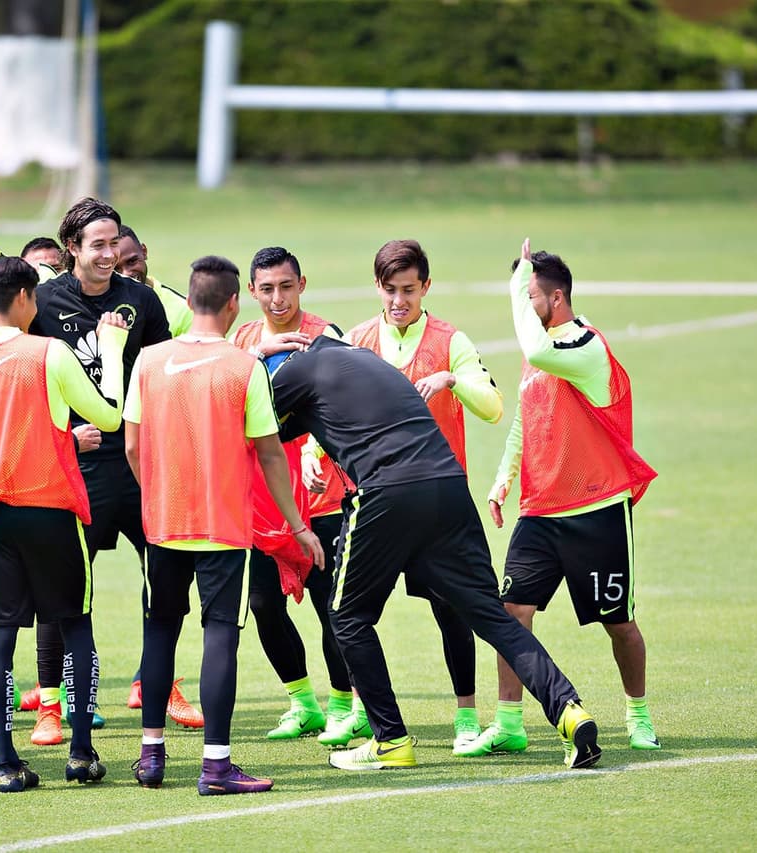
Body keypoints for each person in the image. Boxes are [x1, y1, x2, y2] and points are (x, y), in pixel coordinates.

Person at [270, 334, 601, 771]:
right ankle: (569, 711)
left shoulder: (294, 368)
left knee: (347, 617)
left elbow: (256, 420)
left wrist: (257, 359)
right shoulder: (364, 361)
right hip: (448, 490)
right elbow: (304, 421)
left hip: (386, 492)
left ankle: (390, 741)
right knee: (491, 616)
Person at [125, 255, 324, 795]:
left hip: (162, 524)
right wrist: (296, 525)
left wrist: (157, 497)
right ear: (236, 304)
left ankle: (152, 756)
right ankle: (215, 766)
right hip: (224, 528)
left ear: (189, 302)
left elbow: (132, 446)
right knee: (220, 636)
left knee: (160, 629)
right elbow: (270, 454)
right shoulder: (244, 367)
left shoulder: (147, 360)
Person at [462, 241, 659, 758]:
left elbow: (536, 352)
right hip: (541, 512)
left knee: (619, 624)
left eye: (530, 297)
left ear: (556, 296)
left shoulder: (585, 346)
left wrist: (514, 285)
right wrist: (504, 476)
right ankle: (509, 723)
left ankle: (638, 715)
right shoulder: (543, 348)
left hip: (596, 511)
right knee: (511, 611)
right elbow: (527, 420)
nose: (525, 307)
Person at [0, 255, 127, 793]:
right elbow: (109, 416)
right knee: (75, 624)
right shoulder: (47, 352)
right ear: (23, 298)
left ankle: (5, 764)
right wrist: (110, 350)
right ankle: (82, 753)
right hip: (50, 511)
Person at [26, 198, 201, 745]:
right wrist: (61, 438)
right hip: (75, 464)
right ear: (71, 249)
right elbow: (28, 382)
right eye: (96, 245)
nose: (107, 255)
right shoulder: (44, 302)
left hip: (138, 462)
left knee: (166, 580)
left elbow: (159, 379)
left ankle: (160, 684)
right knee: (64, 591)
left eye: (113, 244)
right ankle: (51, 707)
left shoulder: (140, 301)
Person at [341, 238, 503, 750]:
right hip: (375, 500)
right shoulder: (357, 341)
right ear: (377, 288)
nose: (398, 301)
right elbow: (334, 409)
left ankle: (465, 717)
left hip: (436, 506)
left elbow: (494, 406)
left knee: (451, 611)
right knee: (352, 611)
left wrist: (454, 380)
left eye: (408, 290)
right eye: (390, 290)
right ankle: (369, 713)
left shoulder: (451, 340)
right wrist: (310, 461)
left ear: (426, 287)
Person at [230, 246, 353, 740]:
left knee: (332, 606)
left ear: (303, 283)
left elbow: (347, 414)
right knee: (263, 604)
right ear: (250, 291)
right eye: (267, 289)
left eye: (286, 286)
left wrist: (316, 459)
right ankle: (303, 703)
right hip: (262, 502)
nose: (278, 299)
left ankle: (345, 705)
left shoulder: (328, 338)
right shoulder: (240, 341)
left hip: (322, 496)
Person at [116, 225, 192, 336]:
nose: (126, 274)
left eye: (132, 261)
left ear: (144, 251)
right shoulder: (92, 307)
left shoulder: (183, 311)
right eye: (115, 269)